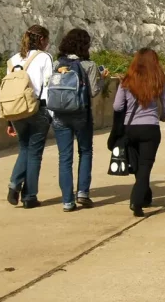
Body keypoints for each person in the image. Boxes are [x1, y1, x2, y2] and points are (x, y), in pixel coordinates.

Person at [52, 28, 109, 212]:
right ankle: (83, 193)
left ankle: (67, 201)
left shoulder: (56, 63)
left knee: (64, 158)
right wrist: (102, 79)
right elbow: (93, 91)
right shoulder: (89, 65)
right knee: (85, 151)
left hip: (60, 115)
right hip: (81, 114)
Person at [112, 48, 165, 217]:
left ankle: (146, 195)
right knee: (145, 166)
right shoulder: (159, 80)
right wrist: (163, 117)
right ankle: (137, 201)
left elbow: (117, 106)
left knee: (138, 166)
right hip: (150, 128)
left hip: (130, 128)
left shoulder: (126, 81)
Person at [6, 25, 53, 209]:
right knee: (34, 153)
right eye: (47, 40)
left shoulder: (13, 60)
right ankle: (29, 196)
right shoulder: (44, 58)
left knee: (24, 148)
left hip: (16, 111)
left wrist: (9, 120)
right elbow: (48, 86)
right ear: (41, 40)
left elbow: (9, 91)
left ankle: (14, 185)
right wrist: (51, 114)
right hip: (37, 109)